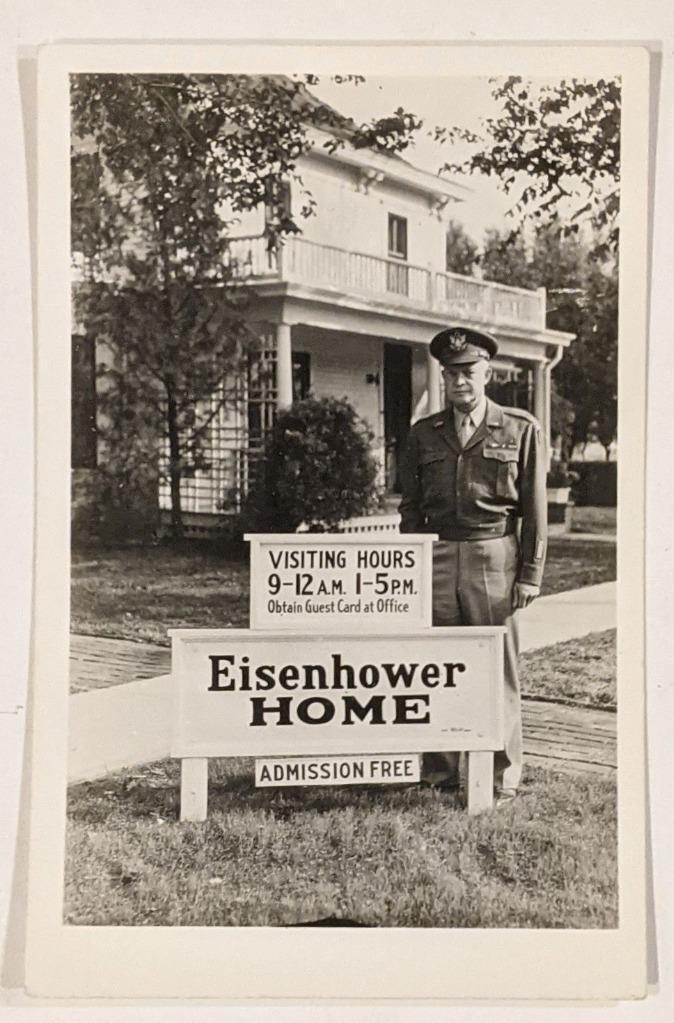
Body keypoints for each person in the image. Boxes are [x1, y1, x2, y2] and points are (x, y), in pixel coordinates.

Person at [398, 326, 548, 805]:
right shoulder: (424, 434)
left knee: (498, 667)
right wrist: (414, 562)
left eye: (468, 372)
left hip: (494, 556)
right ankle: (438, 772)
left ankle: (502, 775)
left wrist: (530, 573)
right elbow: (410, 507)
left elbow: (535, 510)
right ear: (443, 378)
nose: (459, 382)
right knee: (437, 667)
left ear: (488, 374)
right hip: (439, 556)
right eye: (451, 373)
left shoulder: (519, 429)